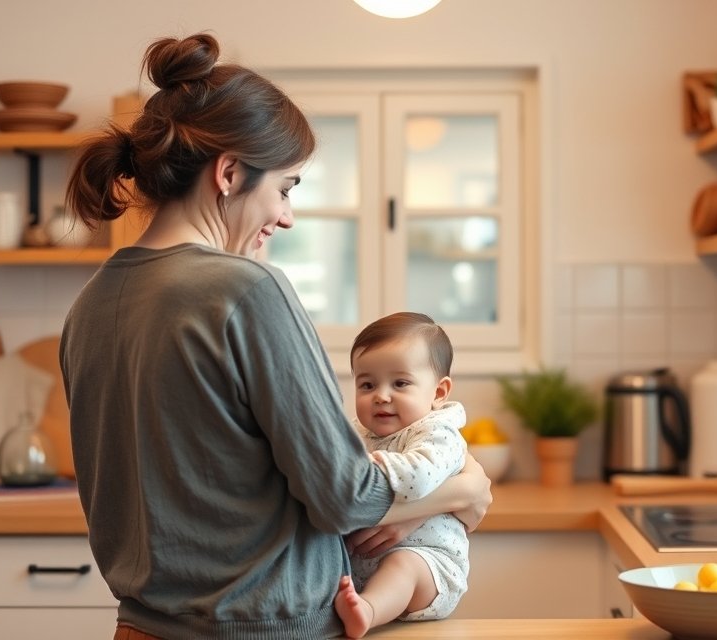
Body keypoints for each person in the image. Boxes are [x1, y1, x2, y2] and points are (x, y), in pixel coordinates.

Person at [59, 33, 491, 640]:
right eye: (285, 187)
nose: (287, 216)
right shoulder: (246, 289)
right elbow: (344, 497)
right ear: (230, 173)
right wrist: (461, 491)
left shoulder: (91, 304)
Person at [335, 312, 470, 638]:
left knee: (403, 564)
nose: (381, 395)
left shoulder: (439, 432)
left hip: (432, 567)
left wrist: (362, 467)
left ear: (438, 393)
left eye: (400, 383)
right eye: (367, 384)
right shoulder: (359, 433)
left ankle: (367, 611)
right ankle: (360, 603)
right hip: (366, 567)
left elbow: (419, 476)